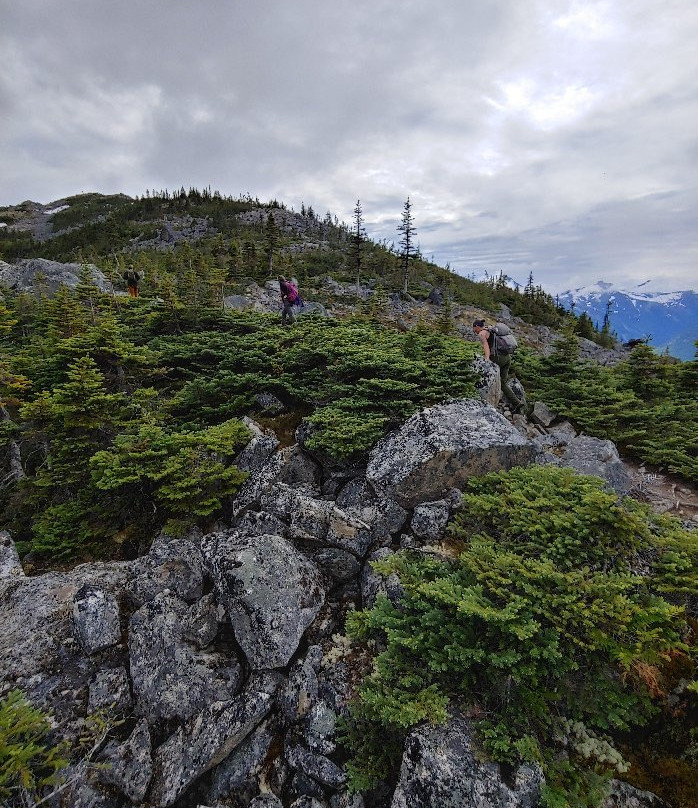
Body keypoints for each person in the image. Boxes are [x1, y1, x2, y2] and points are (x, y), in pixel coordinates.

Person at [473, 319, 526, 414]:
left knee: (487, 378)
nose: (474, 330)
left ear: (477, 326)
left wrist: (487, 360)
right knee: (503, 383)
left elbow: (486, 347)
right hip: (507, 358)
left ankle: (487, 401)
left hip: (498, 358)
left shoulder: (482, 334)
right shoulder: (490, 329)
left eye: (474, 328)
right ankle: (517, 403)